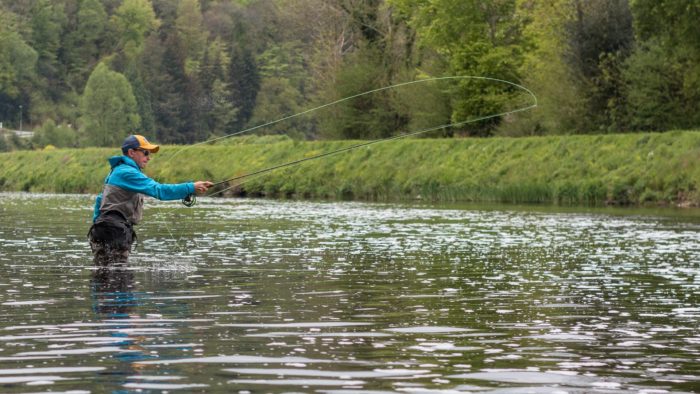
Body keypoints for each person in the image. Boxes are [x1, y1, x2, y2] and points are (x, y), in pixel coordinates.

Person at [89, 135, 213, 265]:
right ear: (131, 153)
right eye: (145, 152)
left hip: (102, 229)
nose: (148, 157)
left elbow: (99, 200)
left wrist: (95, 227)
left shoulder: (117, 170)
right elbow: (159, 190)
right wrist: (191, 187)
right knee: (120, 276)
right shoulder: (127, 172)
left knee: (102, 273)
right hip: (115, 231)